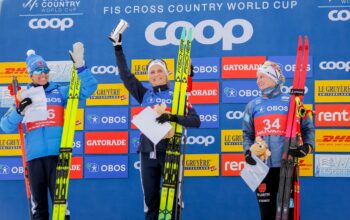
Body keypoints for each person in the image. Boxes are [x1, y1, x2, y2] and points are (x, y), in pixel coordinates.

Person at [109, 29, 201, 220]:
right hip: (147, 153)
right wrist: (118, 48)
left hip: (171, 151)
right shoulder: (144, 94)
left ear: (168, 74)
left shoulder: (178, 95)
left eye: (160, 71)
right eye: (152, 72)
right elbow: (126, 76)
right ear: (149, 77)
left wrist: (171, 117)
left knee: (172, 201)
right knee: (151, 201)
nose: (156, 74)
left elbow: (195, 121)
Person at [0, 42, 98, 220]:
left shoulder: (59, 92)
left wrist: (81, 67)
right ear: (31, 75)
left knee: (61, 206)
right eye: (38, 72)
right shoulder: (23, 96)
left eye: (45, 71)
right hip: (34, 158)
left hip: (57, 154)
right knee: (39, 209)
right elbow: (5, 126)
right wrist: (19, 110)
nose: (43, 74)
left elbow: (89, 88)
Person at [242, 61, 314, 220]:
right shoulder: (253, 105)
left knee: (289, 214)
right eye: (256, 77)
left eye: (262, 77)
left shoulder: (292, 102)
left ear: (273, 78)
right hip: (262, 168)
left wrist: (307, 147)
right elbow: (247, 133)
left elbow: (307, 128)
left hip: (286, 166)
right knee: (267, 214)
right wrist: (247, 152)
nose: (257, 81)